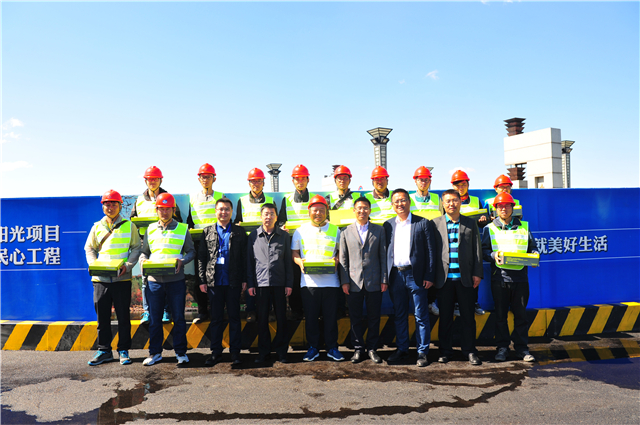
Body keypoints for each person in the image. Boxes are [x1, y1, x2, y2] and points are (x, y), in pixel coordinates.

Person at [85, 190, 141, 366]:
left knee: (123, 317)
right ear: (103, 207)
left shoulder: (129, 226)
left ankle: (123, 350)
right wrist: (94, 264)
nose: (110, 207)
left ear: (120, 206)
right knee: (102, 317)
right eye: (107, 204)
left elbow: (136, 248)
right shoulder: (97, 227)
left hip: (121, 279)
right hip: (100, 279)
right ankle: (104, 350)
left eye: (114, 204)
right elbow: (89, 248)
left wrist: (128, 266)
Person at [139, 193, 195, 366]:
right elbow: (144, 252)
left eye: (168, 209)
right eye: (161, 209)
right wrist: (142, 260)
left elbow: (191, 251)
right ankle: (155, 353)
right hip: (154, 282)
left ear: (173, 210)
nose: (164, 212)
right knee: (155, 319)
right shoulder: (150, 229)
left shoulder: (183, 229)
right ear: (156, 210)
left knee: (178, 318)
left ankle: (181, 353)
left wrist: (182, 260)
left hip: (176, 281)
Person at [482, 192, 538, 363]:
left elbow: (533, 247)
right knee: (500, 316)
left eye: (507, 205)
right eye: (500, 206)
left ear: (513, 208)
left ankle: (522, 349)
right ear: (495, 209)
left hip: (520, 279)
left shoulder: (524, 227)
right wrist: (493, 255)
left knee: (521, 315)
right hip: (499, 278)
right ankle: (502, 348)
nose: (503, 209)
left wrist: (535, 255)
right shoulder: (489, 228)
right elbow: (484, 251)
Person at [383, 188, 435, 367]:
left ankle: (422, 352)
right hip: (395, 275)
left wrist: (429, 275)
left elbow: (430, 251)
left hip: (416, 275)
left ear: (409, 201)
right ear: (392, 205)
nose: (400, 204)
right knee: (400, 314)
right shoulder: (388, 225)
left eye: (403, 200)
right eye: (396, 201)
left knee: (421, 315)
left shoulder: (422, 223)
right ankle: (402, 349)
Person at [432, 189, 483, 366]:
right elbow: (432, 252)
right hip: (444, 279)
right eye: (447, 201)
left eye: (454, 200)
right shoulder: (435, 223)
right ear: (443, 204)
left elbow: (477, 249)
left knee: (468, 317)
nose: (451, 204)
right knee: (445, 317)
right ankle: (445, 351)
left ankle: (470, 351)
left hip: (465, 278)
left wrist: (477, 273)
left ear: (460, 202)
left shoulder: (470, 223)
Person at [292, 195, 344, 362]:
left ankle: (332, 348)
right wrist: (300, 262)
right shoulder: (300, 231)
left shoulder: (336, 230)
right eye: (315, 210)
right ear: (309, 212)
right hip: (308, 283)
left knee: (331, 318)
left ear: (326, 212)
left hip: (331, 283)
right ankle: (313, 348)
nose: (318, 213)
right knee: (311, 318)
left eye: (322, 210)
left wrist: (336, 261)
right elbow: (294, 253)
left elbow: (340, 252)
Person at [198, 198, 248, 366]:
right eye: (221, 209)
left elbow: (245, 258)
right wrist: (202, 279)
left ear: (232, 212)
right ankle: (216, 353)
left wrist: (244, 279)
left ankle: (235, 353)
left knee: (234, 318)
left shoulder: (239, 232)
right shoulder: (207, 232)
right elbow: (202, 258)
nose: (224, 212)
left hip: (233, 281)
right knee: (216, 319)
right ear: (215, 211)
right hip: (214, 282)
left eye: (227, 209)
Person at [130, 165, 182, 324]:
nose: (152, 182)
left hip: (165, 243)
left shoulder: (168, 197)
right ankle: (147, 311)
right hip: (146, 244)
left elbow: (178, 220)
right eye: (149, 179)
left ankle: (166, 310)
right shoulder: (139, 200)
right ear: (145, 181)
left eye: (155, 179)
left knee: (165, 277)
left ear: (161, 180)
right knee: (146, 278)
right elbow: (133, 222)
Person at [338, 196, 387, 364]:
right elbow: (343, 258)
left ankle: (372, 348)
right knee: (355, 318)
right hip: (353, 282)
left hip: (374, 281)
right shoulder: (345, 231)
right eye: (359, 208)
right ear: (354, 210)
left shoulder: (379, 230)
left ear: (370, 210)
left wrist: (384, 279)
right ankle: (358, 349)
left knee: (374, 317)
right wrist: (344, 281)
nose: (362, 211)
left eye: (365, 208)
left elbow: (383, 256)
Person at [248, 203, 293, 364]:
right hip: (260, 284)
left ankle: (282, 352)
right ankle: (264, 352)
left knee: (281, 318)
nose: (268, 217)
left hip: (279, 283)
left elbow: (288, 262)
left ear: (276, 217)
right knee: (262, 320)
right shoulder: (253, 236)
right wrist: (251, 283)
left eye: (272, 214)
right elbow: (250, 262)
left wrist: (289, 283)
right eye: (266, 214)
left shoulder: (283, 236)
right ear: (261, 217)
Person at [234, 167, 274, 323]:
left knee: (268, 275)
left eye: (258, 181)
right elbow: (237, 221)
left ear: (264, 182)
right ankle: (250, 310)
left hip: (266, 241)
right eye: (253, 181)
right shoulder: (242, 201)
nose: (256, 184)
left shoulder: (270, 199)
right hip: (247, 243)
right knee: (249, 274)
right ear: (249, 183)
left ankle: (268, 310)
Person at [187, 163, 224, 324]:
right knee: (200, 277)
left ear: (214, 179)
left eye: (208, 177)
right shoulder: (193, 198)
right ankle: (203, 311)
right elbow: (190, 221)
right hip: (199, 243)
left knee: (219, 275)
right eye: (203, 177)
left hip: (218, 242)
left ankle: (218, 310)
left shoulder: (220, 196)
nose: (205, 179)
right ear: (199, 179)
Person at [276, 164, 313, 321]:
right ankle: (296, 310)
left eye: (303, 178)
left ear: (308, 180)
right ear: (293, 181)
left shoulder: (314, 198)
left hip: (312, 243)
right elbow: (281, 220)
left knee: (313, 276)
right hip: (293, 245)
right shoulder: (287, 199)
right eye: (297, 179)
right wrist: (282, 227)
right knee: (295, 276)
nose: (300, 182)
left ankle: (312, 309)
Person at [451, 169, 486, 316]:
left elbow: (483, 221)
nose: (460, 187)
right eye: (457, 185)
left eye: (463, 184)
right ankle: (456, 304)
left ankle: (474, 302)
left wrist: (482, 221)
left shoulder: (476, 201)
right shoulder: (449, 202)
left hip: (471, 241)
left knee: (473, 272)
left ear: (468, 185)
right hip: (454, 242)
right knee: (455, 274)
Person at [410, 166, 442, 316]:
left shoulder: (437, 198)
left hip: (434, 237)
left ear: (430, 181)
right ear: (415, 181)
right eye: (420, 179)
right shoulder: (409, 198)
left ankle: (431, 302)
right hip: (416, 239)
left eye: (426, 179)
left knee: (433, 268)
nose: (423, 182)